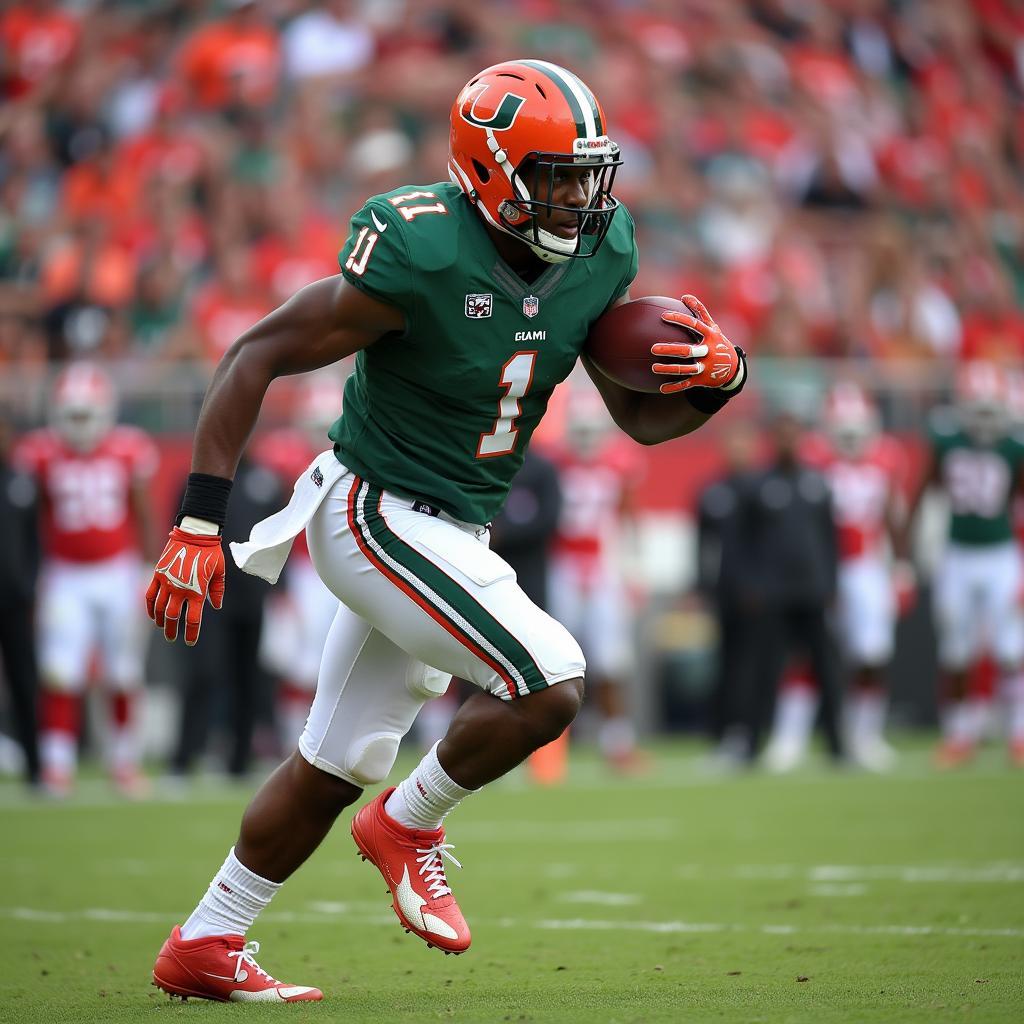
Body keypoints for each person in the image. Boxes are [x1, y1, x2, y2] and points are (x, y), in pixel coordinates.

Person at [145, 60, 746, 1004]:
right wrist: (197, 518)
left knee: (330, 766)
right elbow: (253, 352)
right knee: (549, 681)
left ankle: (207, 939)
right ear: (491, 168)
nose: (579, 197)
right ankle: (409, 825)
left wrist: (722, 382)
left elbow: (637, 419)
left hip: (456, 526)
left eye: (588, 175)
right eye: (555, 175)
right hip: (372, 507)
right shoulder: (421, 249)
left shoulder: (598, 251)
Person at [13, 362, 158, 796]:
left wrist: (148, 566)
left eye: (85, 414)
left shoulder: (128, 448)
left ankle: (124, 762)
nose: (78, 425)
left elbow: (143, 511)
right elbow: (34, 518)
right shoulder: (41, 453)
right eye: (71, 415)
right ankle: (57, 764)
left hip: (117, 569)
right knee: (60, 671)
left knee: (124, 671)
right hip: (66, 573)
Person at [768, 383, 911, 772]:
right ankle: (790, 737)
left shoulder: (886, 458)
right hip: (822, 567)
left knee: (873, 653)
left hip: (866, 565)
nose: (850, 438)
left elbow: (894, 516)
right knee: (807, 652)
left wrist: (901, 568)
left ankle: (866, 735)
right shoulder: (814, 459)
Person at [905, 363, 1024, 767]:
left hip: (1000, 554)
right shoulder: (946, 440)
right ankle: (961, 734)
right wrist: (906, 552)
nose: (985, 420)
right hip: (957, 554)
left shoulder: (1015, 445)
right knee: (957, 649)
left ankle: (1018, 733)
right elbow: (921, 493)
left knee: (1011, 648)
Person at [732, 410, 843, 764]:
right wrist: (749, 585)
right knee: (764, 670)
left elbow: (829, 539)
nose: (787, 441)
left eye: (793, 434)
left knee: (826, 668)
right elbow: (740, 543)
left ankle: (838, 744)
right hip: (771, 593)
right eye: (781, 434)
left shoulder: (817, 483)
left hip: (811, 590)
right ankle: (751, 744)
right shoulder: (756, 485)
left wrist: (831, 584)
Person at [548, 385, 648, 773]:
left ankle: (617, 743)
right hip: (563, 563)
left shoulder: (620, 462)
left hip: (603, 565)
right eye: (580, 430)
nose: (586, 439)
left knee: (611, 660)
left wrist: (634, 570)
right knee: (553, 658)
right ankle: (548, 749)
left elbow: (628, 517)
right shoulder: (554, 461)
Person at [168, 451, 284, 780]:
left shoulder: (264, 480)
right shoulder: (198, 479)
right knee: (202, 673)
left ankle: (240, 760)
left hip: (252, 593)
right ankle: (184, 758)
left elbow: (280, 536)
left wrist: (280, 589)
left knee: (249, 677)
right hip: (208, 592)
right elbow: (176, 529)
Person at [0, 405, 41, 787]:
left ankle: (35, 767)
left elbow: (34, 541)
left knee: (25, 682)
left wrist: (31, 586)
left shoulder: (21, 481)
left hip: (14, 601)